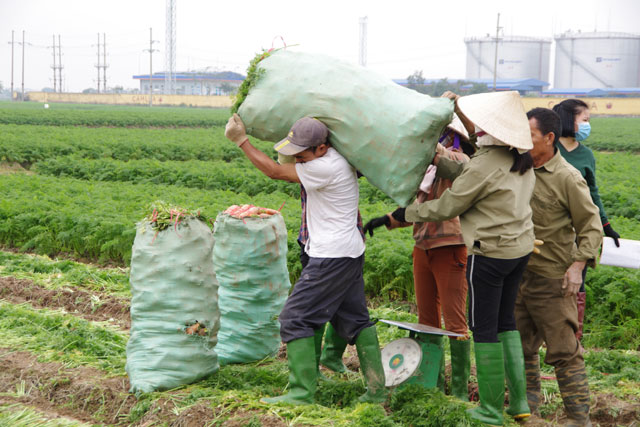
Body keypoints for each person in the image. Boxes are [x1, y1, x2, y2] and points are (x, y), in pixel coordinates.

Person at [391, 91, 535, 426]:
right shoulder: (518, 158)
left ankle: (489, 409)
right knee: (505, 324)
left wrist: (407, 212)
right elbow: (475, 149)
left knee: (482, 327)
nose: (478, 130)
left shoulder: (483, 165)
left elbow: (448, 206)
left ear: (493, 131)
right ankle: (519, 404)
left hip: (489, 254)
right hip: (518, 250)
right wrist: (457, 109)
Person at [224, 114, 386, 405]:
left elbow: (275, 171)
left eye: (302, 155)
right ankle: (376, 392)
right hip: (347, 251)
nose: (298, 160)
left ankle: (301, 392)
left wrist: (242, 142)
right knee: (356, 319)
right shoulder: (336, 157)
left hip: (331, 255)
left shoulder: (325, 166)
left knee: (294, 317)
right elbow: (285, 161)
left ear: (322, 148)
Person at [362, 113, 473, 401]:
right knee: (426, 319)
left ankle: (459, 390)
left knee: (455, 320)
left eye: (437, 134)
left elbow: (452, 166)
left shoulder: (460, 162)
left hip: (450, 247)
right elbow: (415, 209)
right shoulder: (427, 171)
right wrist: (385, 220)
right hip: (422, 248)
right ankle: (432, 383)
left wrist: (431, 148)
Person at [517, 108, 602, 427]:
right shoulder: (518, 168)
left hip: (553, 281)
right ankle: (527, 413)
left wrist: (578, 266)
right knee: (520, 349)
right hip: (518, 276)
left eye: (530, 135)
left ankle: (578, 420)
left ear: (549, 138)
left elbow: (591, 226)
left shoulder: (567, 177)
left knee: (564, 352)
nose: (523, 141)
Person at [552, 99, 618, 341]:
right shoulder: (548, 148)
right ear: (569, 120)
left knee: (576, 282)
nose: (588, 125)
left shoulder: (585, 154)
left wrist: (606, 224)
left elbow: (593, 193)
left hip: (578, 229)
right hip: (549, 229)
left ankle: (571, 338)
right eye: (585, 120)